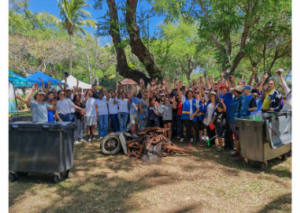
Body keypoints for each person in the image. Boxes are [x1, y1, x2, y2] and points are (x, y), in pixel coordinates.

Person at [227, 85, 249, 161]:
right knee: (236, 137)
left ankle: (243, 155)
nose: (232, 91)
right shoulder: (235, 98)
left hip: (237, 121)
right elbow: (231, 109)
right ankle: (237, 151)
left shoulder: (243, 98)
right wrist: (228, 117)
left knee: (241, 137)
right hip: (232, 120)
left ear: (237, 91)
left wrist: (239, 121)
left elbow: (243, 110)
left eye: (234, 90)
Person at [177, 81, 200, 147]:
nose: (189, 94)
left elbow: (198, 108)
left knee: (196, 128)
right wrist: (178, 86)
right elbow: (179, 93)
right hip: (186, 117)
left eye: (191, 93)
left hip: (193, 117)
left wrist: (194, 114)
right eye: (188, 93)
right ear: (187, 94)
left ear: (192, 94)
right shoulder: (184, 99)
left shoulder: (194, 100)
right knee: (187, 129)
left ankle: (197, 140)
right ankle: (188, 141)